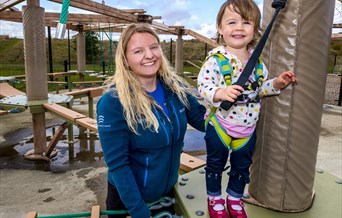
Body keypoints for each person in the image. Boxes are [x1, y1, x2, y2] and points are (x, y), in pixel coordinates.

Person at [197, 1, 297, 218]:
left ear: (255, 29)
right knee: (215, 164)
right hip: (221, 125)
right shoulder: (216, 59)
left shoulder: (258, 63)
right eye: (231, 22)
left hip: (247, 128)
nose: (239, 28)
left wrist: (277, 84)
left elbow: (259, 89)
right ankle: (214, 198)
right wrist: (220, 93)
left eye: (246, 22)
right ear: (220, 29)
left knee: (242, 167)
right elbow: (203, 86)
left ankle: (234, 198)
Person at [96, 23, 206, 218]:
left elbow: (202, 119)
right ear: (125, 60)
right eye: (138, 51)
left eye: (154, 47)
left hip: (166, 192)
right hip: (129, 201)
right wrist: (140, 213)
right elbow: (119, 165)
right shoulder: (113, 103)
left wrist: (236, 114)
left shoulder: (175, 88)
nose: (149, 55)